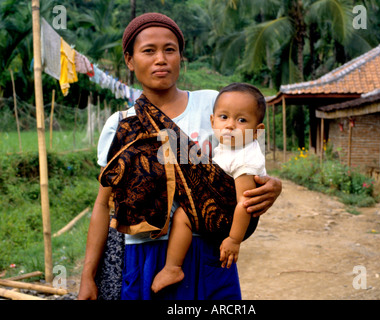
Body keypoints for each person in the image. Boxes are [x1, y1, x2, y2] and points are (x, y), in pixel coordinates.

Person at [78, 12, 282, 300]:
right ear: (129, 60)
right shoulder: (121, 124)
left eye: (169, 50)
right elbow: (102, 205)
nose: (161, 58)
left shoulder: (214, 105)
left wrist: (273, 186)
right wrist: (88, 275)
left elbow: (247, 163)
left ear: (180, 57)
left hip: (207, 250)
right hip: (142, 253)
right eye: (148, 51)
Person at [151, 83, 266, 293]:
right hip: (217, 208)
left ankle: (173, 267)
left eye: (241, 120)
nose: (230, 125)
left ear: (257, 131)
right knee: (182, 216)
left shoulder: (246, 158)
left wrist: (234, 239)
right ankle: (173, 267)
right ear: (212, 121)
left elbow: (245, 202)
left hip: (231, 219)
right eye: (224, 117)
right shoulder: (229, 146)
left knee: (183, 217)